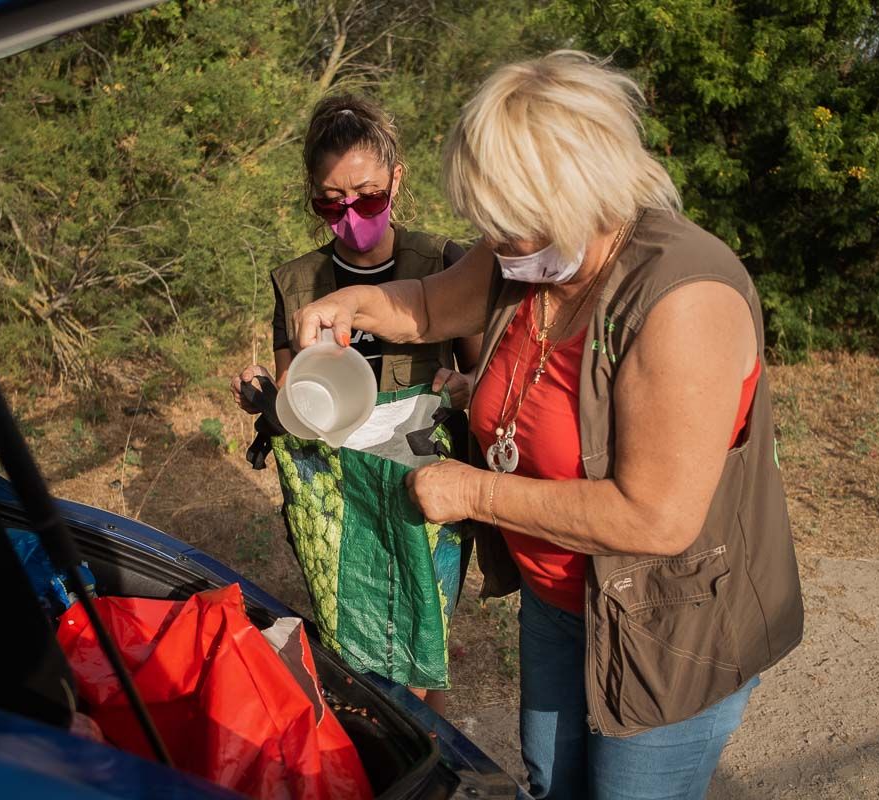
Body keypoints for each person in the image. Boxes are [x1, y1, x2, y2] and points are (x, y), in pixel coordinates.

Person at [290, 52, 804, 800]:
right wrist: (353, 309)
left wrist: (476, 494)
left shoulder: (682, 299)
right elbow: (432, 307)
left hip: (666, 623)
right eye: (488, 225)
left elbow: (655, 516)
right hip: (560, 594)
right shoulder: (529, 253)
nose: (496, 244)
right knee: (550, 782)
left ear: (580, 191)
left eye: (511, 224)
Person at [230, 94, 481, 714]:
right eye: (330, 202)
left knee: (425, 636)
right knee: (359, 643)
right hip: (339, 488)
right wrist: (263, 399)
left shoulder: (446, 263)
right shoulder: (296, 282)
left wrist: (461, 387)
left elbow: (486, 378)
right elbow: (297, 400)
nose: (350, 216)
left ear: (397, 179)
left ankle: (429, 753)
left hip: (422, 479)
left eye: (367, 197)